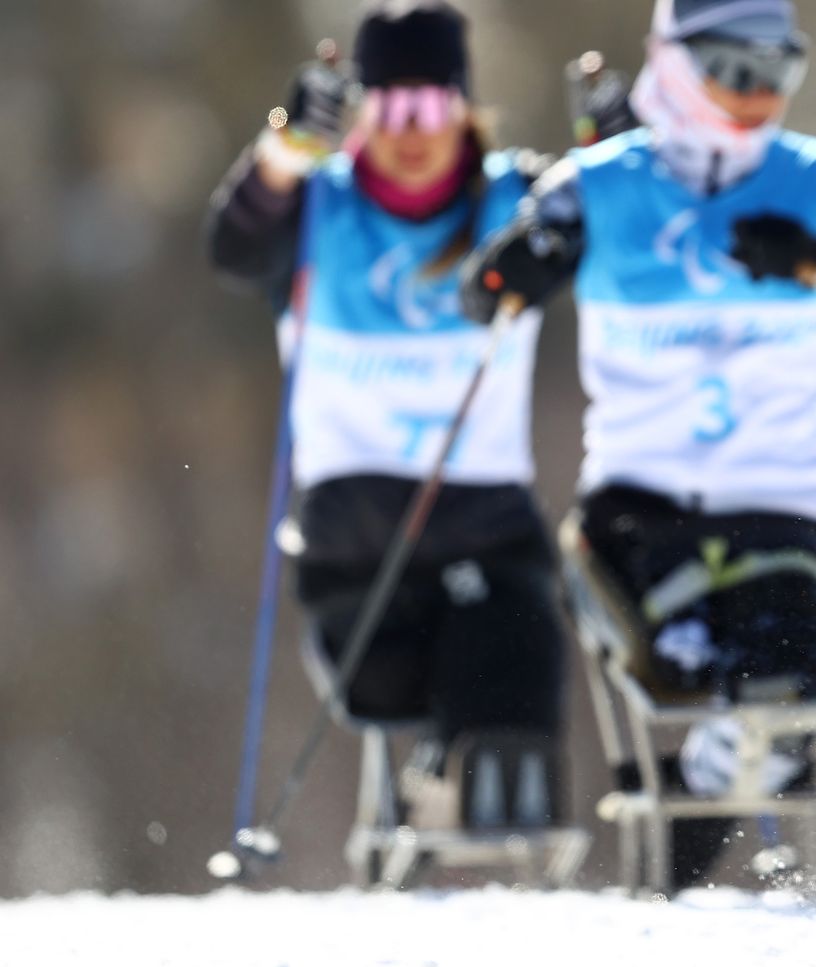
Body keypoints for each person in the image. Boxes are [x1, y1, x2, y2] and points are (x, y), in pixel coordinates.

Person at [461, 0, 816, 885]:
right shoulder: (598, 181)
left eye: (777, 72)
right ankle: (678, 846)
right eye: (731, 69)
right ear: (669, 61)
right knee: (683, 665)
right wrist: (517, 268)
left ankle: (688, 834)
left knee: (796, 684)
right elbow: (485, 293)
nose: (755, 95)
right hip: (638, 509)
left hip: (781, 509)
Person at [207, 0, 569, 833]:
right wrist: (281, 153)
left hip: (483, 509)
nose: (413, 130)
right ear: (362, 110)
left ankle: (489, 820)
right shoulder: (314, 201)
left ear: (464, 107)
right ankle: (429, 778)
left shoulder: (519, 195)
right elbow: (233, 246)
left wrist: (618, 147)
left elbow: (616, 216)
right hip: (355, 518)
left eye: (433, 105)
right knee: (380, 687)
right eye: (392, 106)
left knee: (515, 667)